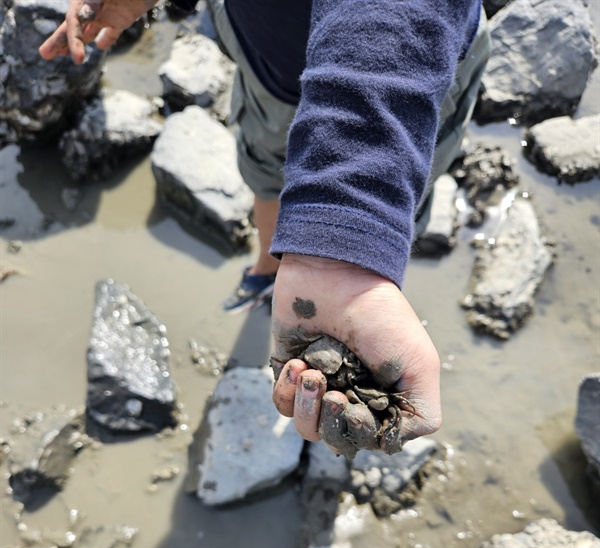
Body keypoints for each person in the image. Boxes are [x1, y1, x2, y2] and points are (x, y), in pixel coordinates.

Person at [39, 0, 490, 455]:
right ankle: (268, 266)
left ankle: (355, 283)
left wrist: (340, 247)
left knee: (384, 221)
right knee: (268, 175)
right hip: (270, 63)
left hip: (405, 75)